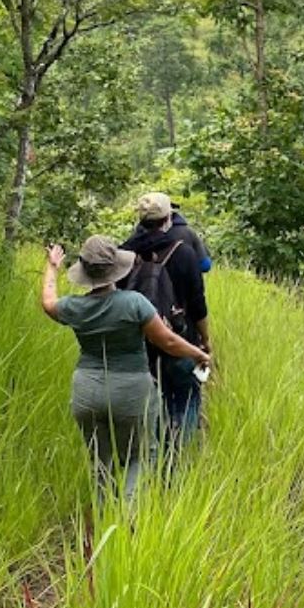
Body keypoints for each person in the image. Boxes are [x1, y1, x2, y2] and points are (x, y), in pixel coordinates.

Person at [41, 235, 210, 501]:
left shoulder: (75, 307)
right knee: (140, 456)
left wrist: (51, 267)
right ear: (116, 269)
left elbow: (48, 302)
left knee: (101, 461)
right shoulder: (134, 303)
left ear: (85, 272)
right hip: (131, 389)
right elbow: (167, 341)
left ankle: (102, 519)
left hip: (86, 391)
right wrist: (199, 354)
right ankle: (129, 521)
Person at [120, 192, 211, 453]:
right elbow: (198, 304)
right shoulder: (183, 252)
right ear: (168, 218)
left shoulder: (124, 253)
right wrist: (205, 341)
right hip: (181, 339)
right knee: (185, 397)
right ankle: (177, 459)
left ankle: (157, 455)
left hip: (142, 345)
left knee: (154, 400)